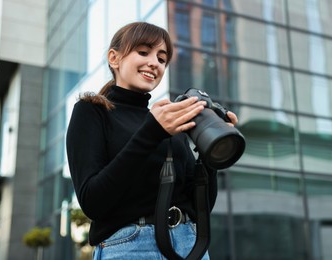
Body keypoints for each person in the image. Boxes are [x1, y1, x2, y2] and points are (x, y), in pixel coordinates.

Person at [66, 21, 238, 259]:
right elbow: (93, 202)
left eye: (161, 58)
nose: (153, 63)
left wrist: (211, 154)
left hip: (189, 243)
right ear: (114, 58)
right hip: (130, 246)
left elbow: (202, 208)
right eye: (143, 52)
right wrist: (152, 132)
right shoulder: (92, 111)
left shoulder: (169, 124)